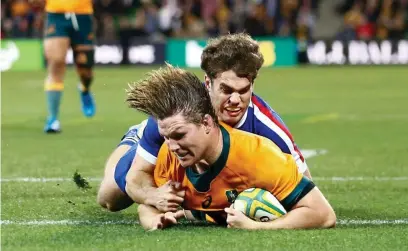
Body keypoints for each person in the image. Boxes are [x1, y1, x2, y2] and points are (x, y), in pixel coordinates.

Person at [97, 33, 311, 212]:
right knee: (110, 199)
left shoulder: (269, 129)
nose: (235, 100)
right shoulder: (177, 111)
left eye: (243, 90)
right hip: (166, 143)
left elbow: (306, 188)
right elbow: (137, 177)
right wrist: (152, 195)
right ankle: (134, 138)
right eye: (226, 90)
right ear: (208, 83)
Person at [126, 64, 336, 230]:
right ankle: (132, 139)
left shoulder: (260, 157)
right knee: (109, 196)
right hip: (140, 151)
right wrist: (155, 220)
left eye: (179, 135)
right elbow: (147, 205)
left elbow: (323, 214)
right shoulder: (169, 151)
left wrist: (256, 227)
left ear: (207, 123)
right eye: (167, 137)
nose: (172, 146)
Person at [37, 0, 96, 133]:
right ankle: (53, 118)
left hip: (83, 16)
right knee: (56, 61)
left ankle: (85, 88)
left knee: (86, 70)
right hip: (56, 15)